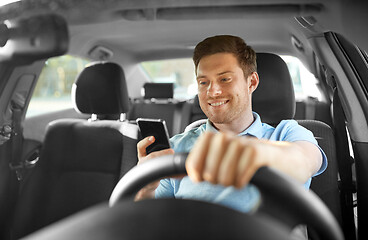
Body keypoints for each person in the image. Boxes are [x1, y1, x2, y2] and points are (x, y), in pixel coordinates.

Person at [135, 35, 327, 214]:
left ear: (251, 82)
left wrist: (253, 154)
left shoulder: (288, 133)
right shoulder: (175, 148)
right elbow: (152, 221)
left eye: (224, 79)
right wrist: (146, 188)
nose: (213, 91)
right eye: (203, 82)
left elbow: (304, 161)